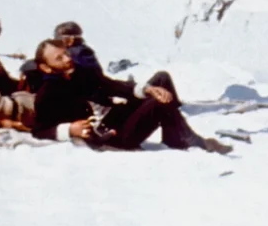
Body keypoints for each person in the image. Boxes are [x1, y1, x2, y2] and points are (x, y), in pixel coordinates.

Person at [30, 39, 231, 154]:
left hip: (112, 122)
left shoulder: (81, 73)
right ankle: (190, 141)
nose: (68, 59)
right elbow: (39, 130)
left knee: (159, 82)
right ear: (45, 67)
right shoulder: (48, 92)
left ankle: (175, 133)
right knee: (156, 104)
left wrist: (148, 89)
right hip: (108, 140)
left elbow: (112, 86)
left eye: (66, 53)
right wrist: (70, 129)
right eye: (59, 58)